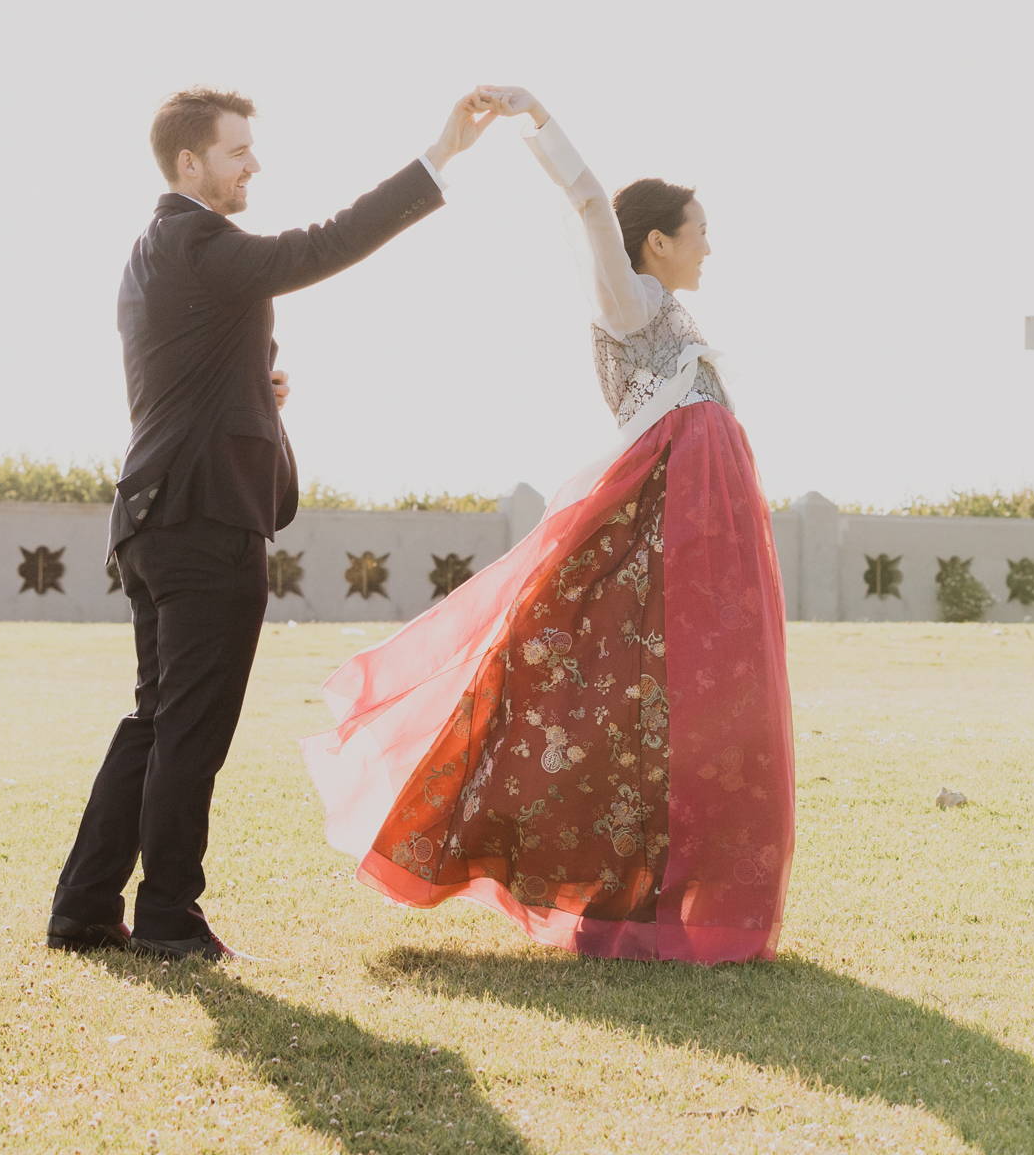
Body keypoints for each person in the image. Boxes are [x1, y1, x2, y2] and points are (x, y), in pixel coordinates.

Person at [300, 87, 796, 963]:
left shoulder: (673, 313)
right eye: (700, 230)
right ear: (657, 242)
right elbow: (587, 202)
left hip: (702, 538)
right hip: (652, 535)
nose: (711, 245)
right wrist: (539, 121)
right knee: (599, 703)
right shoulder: (630, 301)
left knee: (697, 715)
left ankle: (672, 901)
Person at [47, 83, 503, 960]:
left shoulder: (152, 252)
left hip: (153, 518)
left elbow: (190, 373)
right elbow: (321, 246)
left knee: (156, 718)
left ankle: (83, 907)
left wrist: (258, 388)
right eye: (236, 151)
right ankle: (171, 920)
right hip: (204, 521)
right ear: (190, 162)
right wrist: (439, 156)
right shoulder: (199, 238)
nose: (254, 163)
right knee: (190, 728)